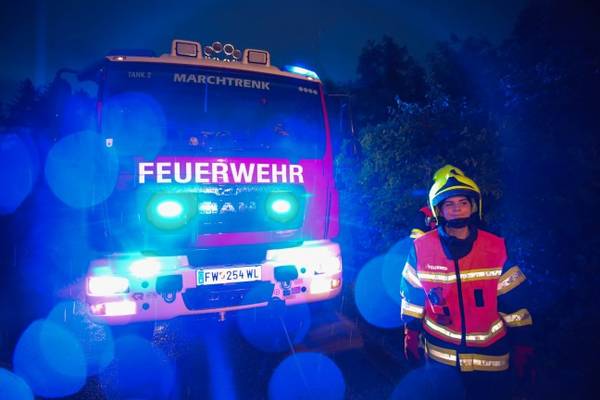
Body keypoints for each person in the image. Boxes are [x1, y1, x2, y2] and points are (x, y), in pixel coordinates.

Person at [400, 165, 534, 399]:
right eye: (449, 204)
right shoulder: (421, 248)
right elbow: (412, 296)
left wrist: (523, 342)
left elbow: (514, 301)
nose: (457, 209)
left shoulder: (495, 247)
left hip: (491, 359)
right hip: (441, 359)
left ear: (473, 206)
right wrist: (410, 333)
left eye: (463, 202)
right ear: (439, 210)